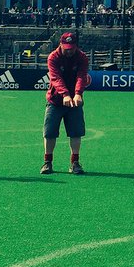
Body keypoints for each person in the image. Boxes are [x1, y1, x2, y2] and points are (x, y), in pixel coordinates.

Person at [41, 32, 90, 175]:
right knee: (50, 132)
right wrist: (65, 94)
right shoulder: (53, 57)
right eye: (66, 48)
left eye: (72, 48)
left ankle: (75, 163)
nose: (69, 51)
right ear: (61, 45)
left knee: (76, 132)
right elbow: (55, 78)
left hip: (74, 101)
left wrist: (78, 94)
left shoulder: (81, 57)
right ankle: (47, 162)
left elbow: (82, 76)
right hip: (55, 100)